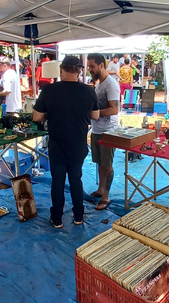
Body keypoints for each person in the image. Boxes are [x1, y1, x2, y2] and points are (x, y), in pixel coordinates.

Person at [33, 56, 99, 229]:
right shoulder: (89, 90)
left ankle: (57, 218)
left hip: (57, 144)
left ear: (61, 69)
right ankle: (79, 216)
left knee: (58, 182)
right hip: (78, 144)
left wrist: (52, 113)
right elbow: (96, 115)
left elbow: (36, 116)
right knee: (76, 180)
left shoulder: (49, 90)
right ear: (79, 71)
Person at [87, 53, 120, 210]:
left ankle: (106, 197)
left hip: (108, 132)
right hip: (97, 130)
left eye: (92, 66)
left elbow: (114, 110)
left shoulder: (111, 84)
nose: (90, 70)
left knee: (107, 165)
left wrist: (95, 113)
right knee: (100, 163)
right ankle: (100, 190)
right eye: (89, 67)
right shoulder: (99, 83)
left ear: (101, 65)